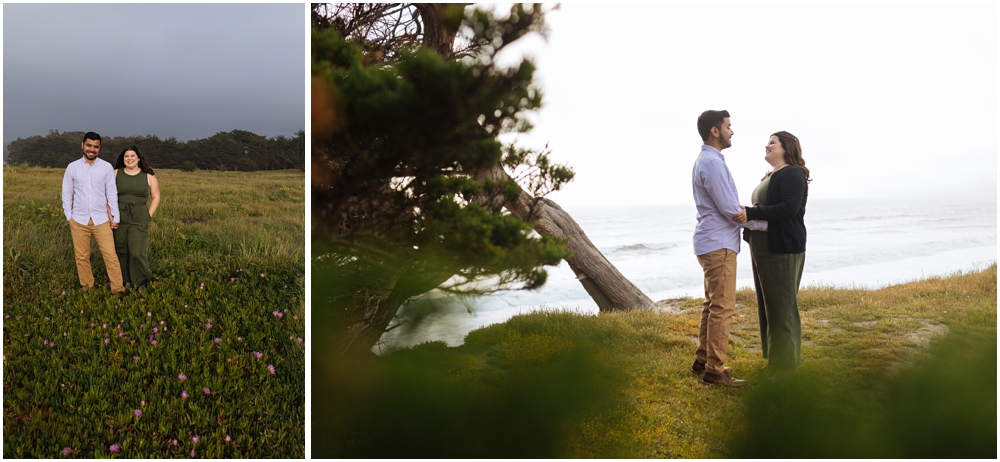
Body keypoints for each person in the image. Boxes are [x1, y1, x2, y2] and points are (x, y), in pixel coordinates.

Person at [690, 110, 767, 387]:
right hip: (718, 244)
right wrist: (764, 224)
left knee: (712, 305)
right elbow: (730, 210)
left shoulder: (708, 161)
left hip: (711, 242)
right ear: (715, 130)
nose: (731, 131)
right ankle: (714, 371)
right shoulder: (712, 164)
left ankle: (702, 360)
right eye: (728, 126)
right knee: (722, 307)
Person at [735, 131, 809, 380]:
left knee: (783, 307)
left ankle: (788, 367)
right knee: (768, 306)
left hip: (782, 247)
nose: (767, 145)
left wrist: (751, 213)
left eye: (773, 142)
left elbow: (790, 208)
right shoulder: (773, 175)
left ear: (786, 147)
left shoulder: (793, 173)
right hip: (763, 246)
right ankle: (776, 361)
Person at [62, 132, 126, 295]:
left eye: (96, 146)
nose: (92, 149)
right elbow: (66, 193)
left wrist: (115, 217)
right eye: (89, 145)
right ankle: (87, 287)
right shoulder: (72, 167)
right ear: (82, 145)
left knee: (110, 255)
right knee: (82, 256)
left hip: (102, 220)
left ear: (99, 148)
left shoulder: (106, 167)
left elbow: (111, 193)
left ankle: (118, 289)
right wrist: (69, 216)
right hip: (79, 220)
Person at [112, 145, 161, 291]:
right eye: (126, 156)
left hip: (139, 217)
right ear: (123, 159)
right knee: (121, 249)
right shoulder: (115, 173)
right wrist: (111, 216)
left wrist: (148, 215)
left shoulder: (149, 176)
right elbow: (107, 196)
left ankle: (141, 281)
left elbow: (156, 196)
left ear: (138, 158)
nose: (129, 159)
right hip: (119, 217)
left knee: (137, 251)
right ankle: (125, 280)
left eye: (132, 156)